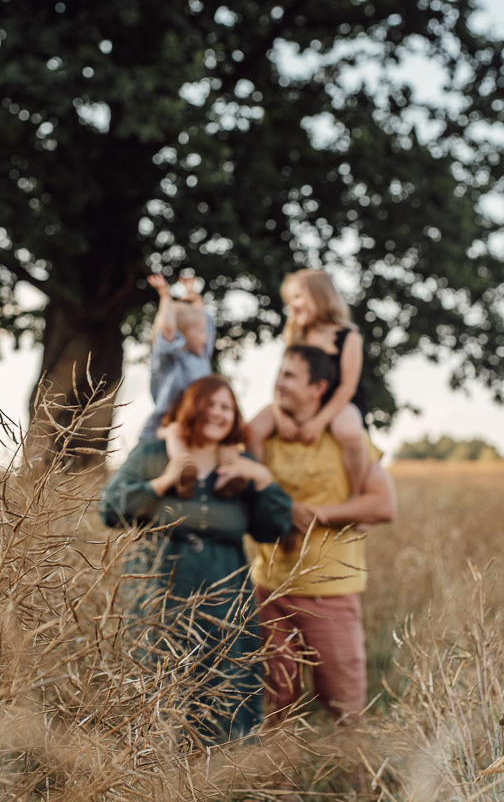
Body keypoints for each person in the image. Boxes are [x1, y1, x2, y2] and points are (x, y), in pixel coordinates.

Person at [101, 375, 292, 742]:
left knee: (225, 686)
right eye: (210, 404)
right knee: (159, 685)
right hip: (160, 595)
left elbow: (274, 529)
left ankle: (219, 785)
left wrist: (263, 478)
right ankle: (154, 781)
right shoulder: (153, 454)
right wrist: (164, 481)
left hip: (225, 597)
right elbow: (109, 509)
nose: (218, 413)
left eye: (226, 406)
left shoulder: (240, 463)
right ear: (190, 407)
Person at [250, 345, 396, 725]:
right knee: (276, 699)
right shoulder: (265, 436)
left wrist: (319, 515)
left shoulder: (346, 438)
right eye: (279, 373)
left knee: (343, 702)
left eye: (290, 376)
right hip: (270, 588)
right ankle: (276, 785)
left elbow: (383, 505)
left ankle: (360, 781)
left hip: (330, 591)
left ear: (318, 387)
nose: (278, 383)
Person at [248, 269, 369, 494]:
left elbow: (347, 387)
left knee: (351, 434)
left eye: (297, 297)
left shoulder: (348, 336)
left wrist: (320, 421)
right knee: (252, 430)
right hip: (297, 401)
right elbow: (281, 379)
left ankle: (357, 492)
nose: (292, 305)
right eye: (289, 300)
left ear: (320, 296)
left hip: (338, 402)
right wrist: (280, 414)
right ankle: (260, 490)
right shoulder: (296, 334)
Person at [141, 272, 240, 498]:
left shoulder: (201, 356)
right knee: (176, 433)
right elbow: (166, 332)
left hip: (200, 419)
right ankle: (183, 472)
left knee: (226, 441)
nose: (207, 335)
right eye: (200, 331)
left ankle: (229, 477)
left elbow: (207, 322)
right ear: (183, 335)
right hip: (172, 420)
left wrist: (193, 297)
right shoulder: (169, 361)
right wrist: (166, 297)